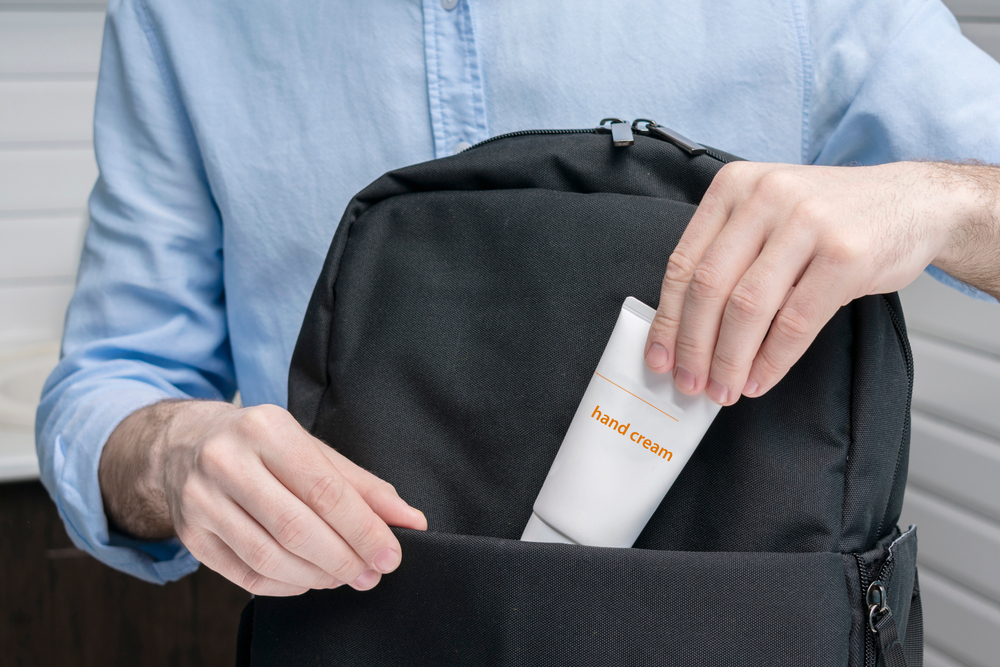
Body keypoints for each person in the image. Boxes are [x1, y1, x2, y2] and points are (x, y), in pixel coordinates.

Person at [36, 0, 1000, 597]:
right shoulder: (180, 17)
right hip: (355, 624)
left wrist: (941, 200)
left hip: (741, 625)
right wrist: (178, 454)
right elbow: (112, 380)